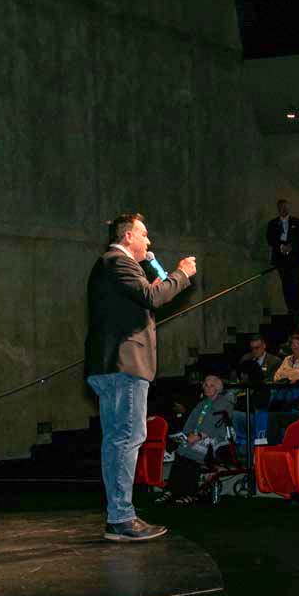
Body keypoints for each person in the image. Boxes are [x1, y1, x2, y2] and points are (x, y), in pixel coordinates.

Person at [85, 212, 196, 542]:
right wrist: (182, 274)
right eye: (144, 235)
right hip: (124, 365)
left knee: (116, 440)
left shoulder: (111, 267)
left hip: (111, 366)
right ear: (127, 237)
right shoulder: (118, 262)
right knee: (127, 437)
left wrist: (161, 286)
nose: (149, 242)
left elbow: (142, 298)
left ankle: (117, 515)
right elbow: (150, 298)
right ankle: (121, 518)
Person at [159, 375, 235, 505]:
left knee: (192, 451)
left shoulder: (224, 403)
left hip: (215, 439)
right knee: (182, 449)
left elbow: (216, 425)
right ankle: (171, 489)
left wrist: (199, 436)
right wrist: (185, 435)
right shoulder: (201, 404)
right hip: (196, 436)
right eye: (205, 385)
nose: (207, 388)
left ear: (217, 388)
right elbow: (190, 423)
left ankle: (189, 493)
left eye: (211, 385)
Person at [266, 199, 299, 312]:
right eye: (281, 207)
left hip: (294, 257)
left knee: (295, 282)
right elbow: (270, 239)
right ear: (278, 209)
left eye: (285, 207)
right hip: (280, 258)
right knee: (286, 284)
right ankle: (291, 308)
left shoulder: (297, 221)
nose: (284, 209)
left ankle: (297, 307)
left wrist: (291, 246)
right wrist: (281, 247)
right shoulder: (273, 223)